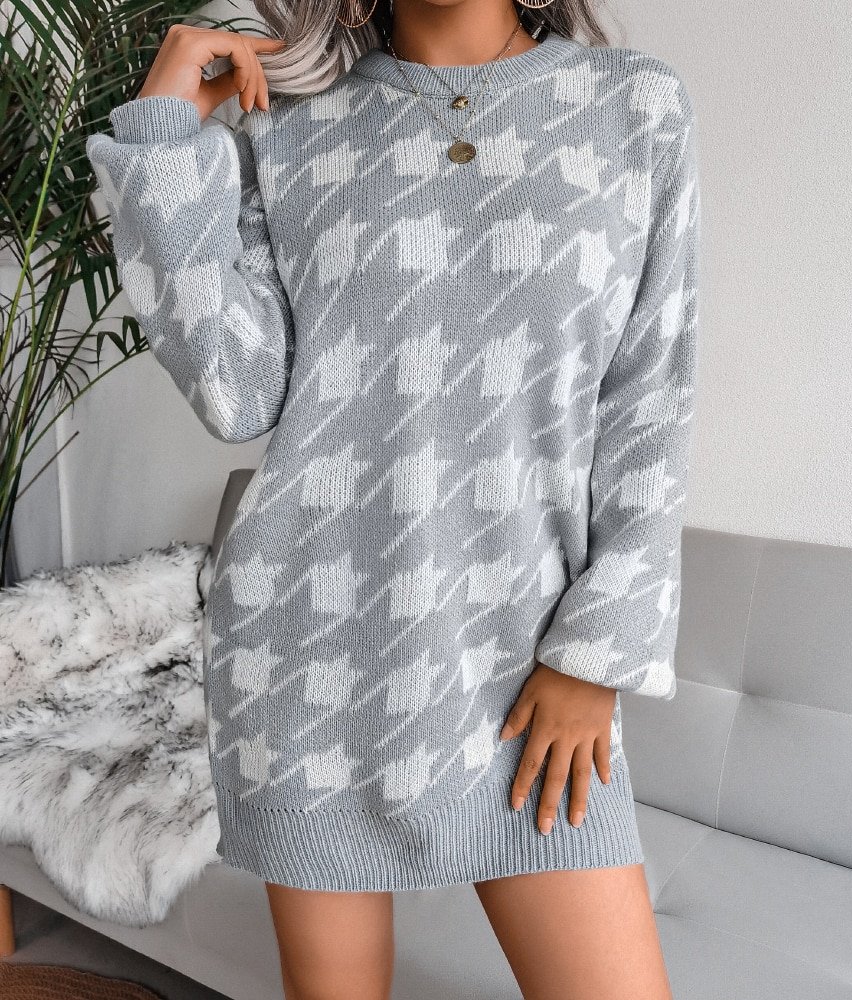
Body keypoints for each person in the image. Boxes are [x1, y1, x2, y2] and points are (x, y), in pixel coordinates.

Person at [85, 0, 699, 996]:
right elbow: (238, 392)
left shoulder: (633, 105)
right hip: (309, 665)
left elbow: (649, 400)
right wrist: (161, 139)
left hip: (528, 678)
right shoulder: (292, 124)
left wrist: (596, 655)